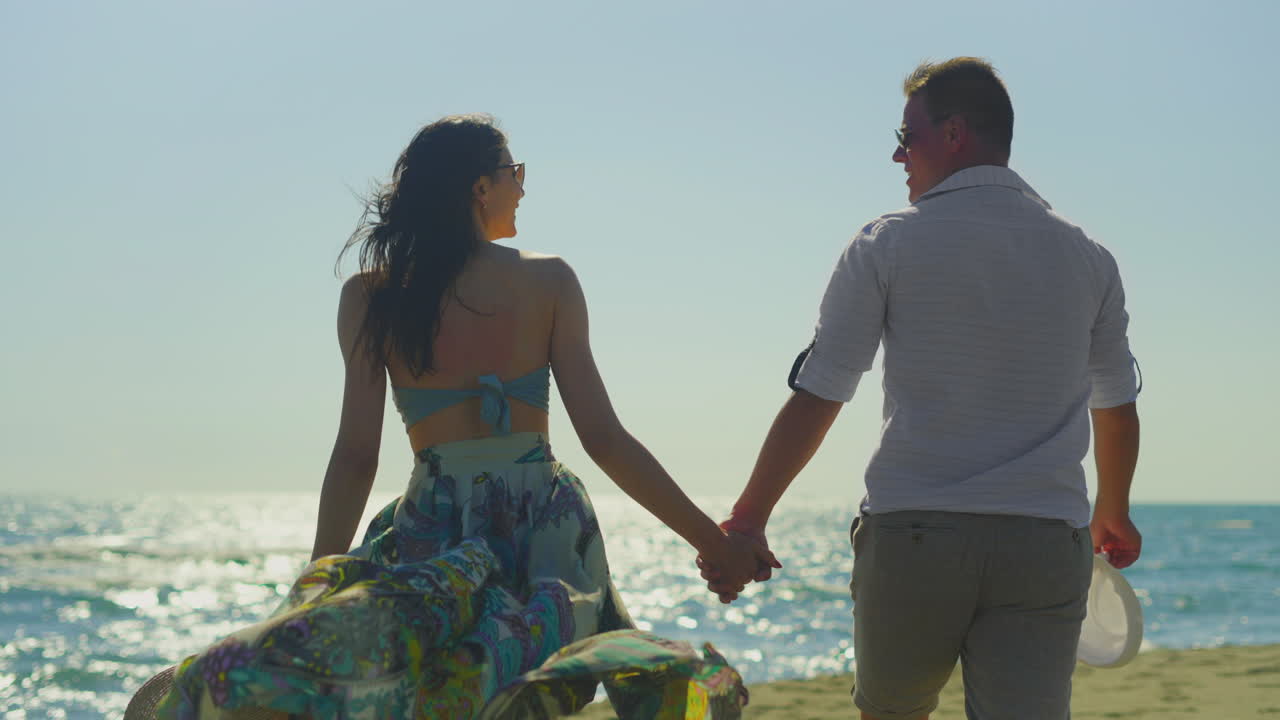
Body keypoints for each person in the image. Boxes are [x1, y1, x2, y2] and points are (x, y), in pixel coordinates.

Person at [149, 114, 775, 719]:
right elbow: (606, 441)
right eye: (514, 170)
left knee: (429, 690)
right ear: (481, 188)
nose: (523, 185)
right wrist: (715, 544)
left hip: (433, 526)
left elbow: (355, 455)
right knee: (522, 687)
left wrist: (314, 591)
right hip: (544, 535)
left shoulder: (371, 297)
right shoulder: (550, 281)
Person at [704, 58, 1142, 720]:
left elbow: (822, 393)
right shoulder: (1088, 257)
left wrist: (749, 517)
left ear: (956, 134)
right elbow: (1115, 402)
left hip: (917, 536)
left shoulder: (887, 243)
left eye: (907, 136)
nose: (896, 154)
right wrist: (1113, 507)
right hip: (1043, 539)